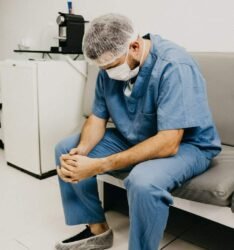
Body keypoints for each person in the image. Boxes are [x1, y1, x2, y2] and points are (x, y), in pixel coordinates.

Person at [55, 13, 221, 250]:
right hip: (135, 136)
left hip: (188, 144)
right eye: (103, 68)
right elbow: (97, 118)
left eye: (111, 67)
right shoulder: (111, 63)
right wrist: (82, 152)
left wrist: (99, 165)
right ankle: (98, 231)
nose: (108, 74)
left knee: (143, 181)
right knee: (66, 149)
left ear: (134, 46)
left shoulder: (174, 66)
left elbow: (168, 142)